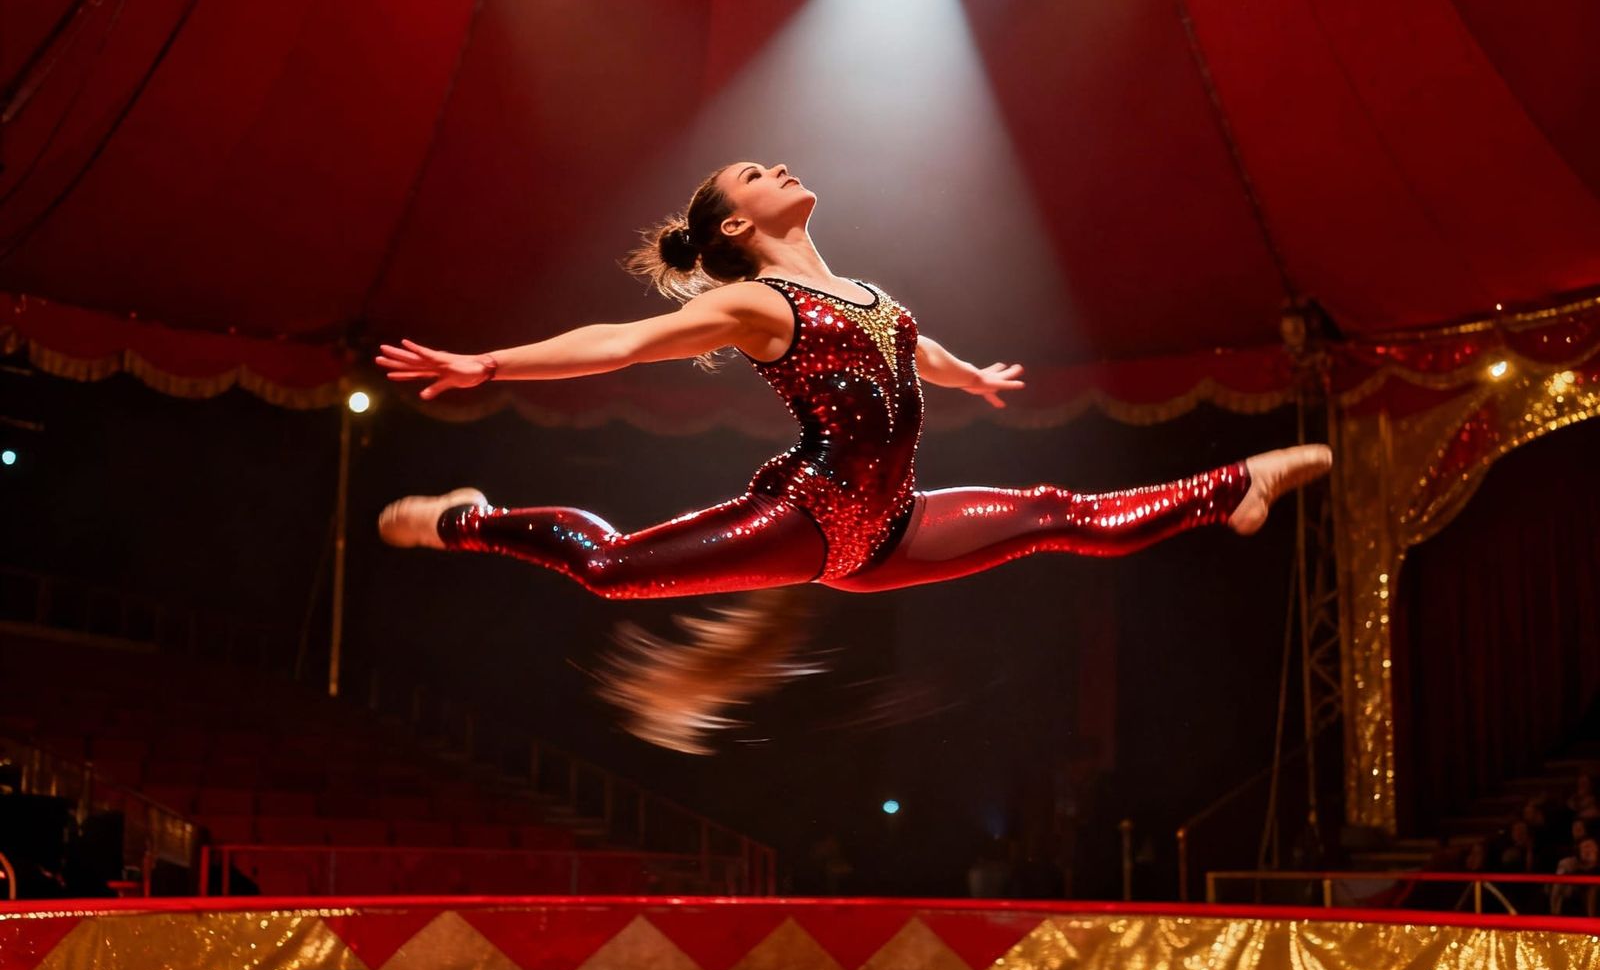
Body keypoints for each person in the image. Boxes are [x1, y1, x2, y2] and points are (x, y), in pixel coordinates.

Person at [376, 160, 1332, 747]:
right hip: (805, 514)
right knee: (612, 569)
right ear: (736, 228)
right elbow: (616, 343)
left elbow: (916, 349)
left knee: (1054, 512)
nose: (777, 167)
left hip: (886, 536)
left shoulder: (870, 295)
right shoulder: (758, 304)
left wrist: (970, 380)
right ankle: (464, 521)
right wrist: (488, 364)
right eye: (754, 173)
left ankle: (1233, 487)